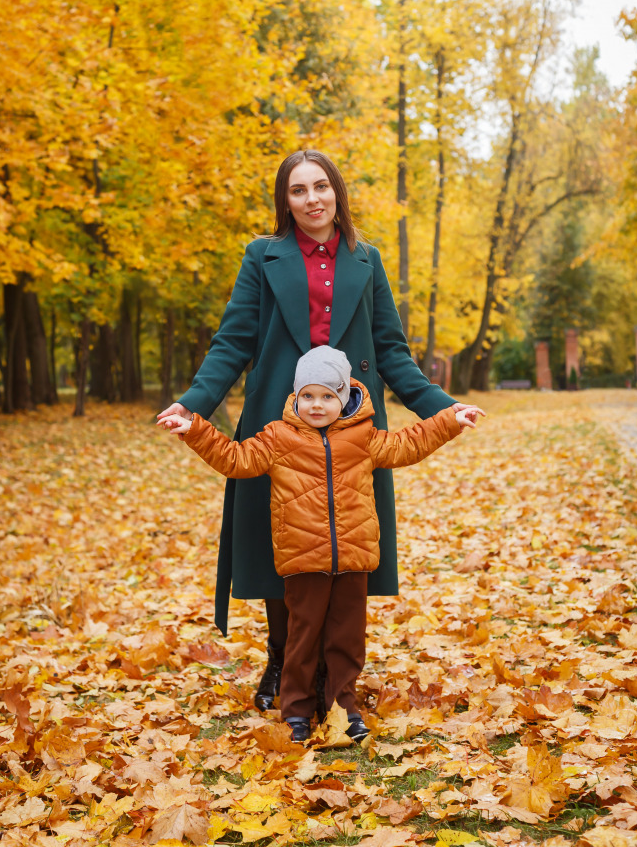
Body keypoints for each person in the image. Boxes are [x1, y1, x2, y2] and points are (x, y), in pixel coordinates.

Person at [157, 149, 467, 712]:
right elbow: (233, 343)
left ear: (337, 193)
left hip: (351, 426)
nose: (311, 200)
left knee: (343, 547)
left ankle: (332, 670)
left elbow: (393, 352)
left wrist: (442, 406)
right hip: (279, 424)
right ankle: (284, 660)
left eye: (320, 187)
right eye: (298, 191)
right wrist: (191, 405)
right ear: (286, 201)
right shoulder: (263, 257)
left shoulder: (366, 260)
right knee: (283, 545)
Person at [163, 347, 485, 741]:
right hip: (302, 559)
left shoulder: (363, 436)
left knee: (346, 641)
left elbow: (409, 444)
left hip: (354, 558)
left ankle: (343, 708)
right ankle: (295, 711)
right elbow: (236, 459)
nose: (317, 405)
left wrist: (450, 419)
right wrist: (195, 429)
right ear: (296, 397)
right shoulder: (278, 437)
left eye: (328, 396)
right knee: (302, 639)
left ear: (344, 397)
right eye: (308, 396)